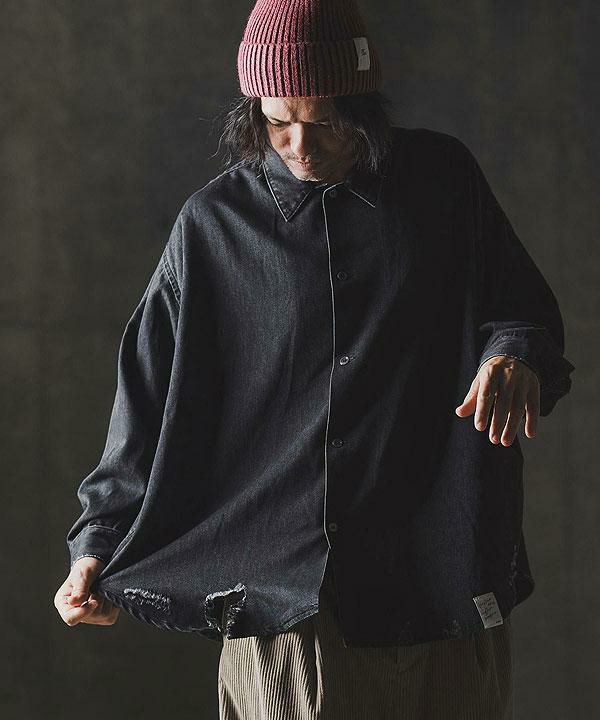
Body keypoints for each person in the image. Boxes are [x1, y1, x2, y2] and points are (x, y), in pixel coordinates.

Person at [54, 0, 575, 717]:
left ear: (363, 107)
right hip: (284, 592)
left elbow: (522, 308)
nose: (299, 145)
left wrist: (512, 354)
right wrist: (96, 543)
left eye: (325, 121)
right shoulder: (213, 226)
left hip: (440, 561)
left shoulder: (443, 181)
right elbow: (145, 397)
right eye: (277, 122)